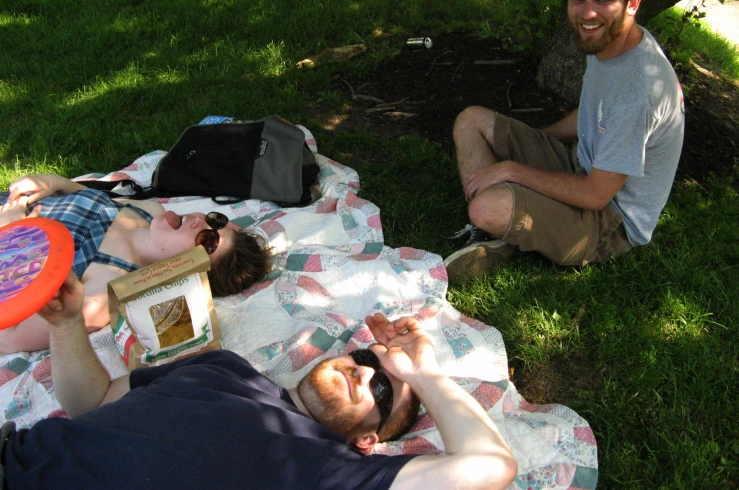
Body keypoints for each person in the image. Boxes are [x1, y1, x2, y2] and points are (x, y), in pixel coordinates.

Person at [0, 271, 518, 489]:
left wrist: (422, 373)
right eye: (367, 356)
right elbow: (93, 402)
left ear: (369, 440)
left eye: (383, 390)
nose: (365, 370)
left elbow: (491, 468)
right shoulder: (221, 365)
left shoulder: (328, 471)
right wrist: (67, 325)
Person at [443, 0, 685, 284]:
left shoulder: (638, 90)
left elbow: (595, 194)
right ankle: (505, 229)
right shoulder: (614, 42)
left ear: (632, 3)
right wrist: (536, 143)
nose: (587, 14)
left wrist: (512, 168)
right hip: (584, 167)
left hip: (609, 222)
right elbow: (592, 114)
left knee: (485, 207)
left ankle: (496, 227)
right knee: (471, 121)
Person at [0, 174, 271, 353]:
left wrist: (11, 234)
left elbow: (9, 336)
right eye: (215, 222)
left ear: (187, 270)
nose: (199, 221)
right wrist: (53, 182)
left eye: (207, 241)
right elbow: (87, 195)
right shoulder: (150, 211)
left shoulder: (102, 294)